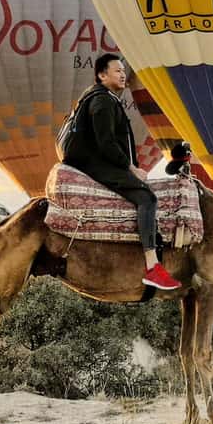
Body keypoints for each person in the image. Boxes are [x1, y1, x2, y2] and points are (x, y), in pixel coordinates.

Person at [62, 53, 182, 291]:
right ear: (101, 75)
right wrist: (131, 169)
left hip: (94, 162)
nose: (123, 74)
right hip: (97, 164)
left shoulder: (99, 98)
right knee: (147, 198)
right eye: (117, 71)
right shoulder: (103, 101)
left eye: (123, 71)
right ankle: (152, 266)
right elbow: (106, 143)